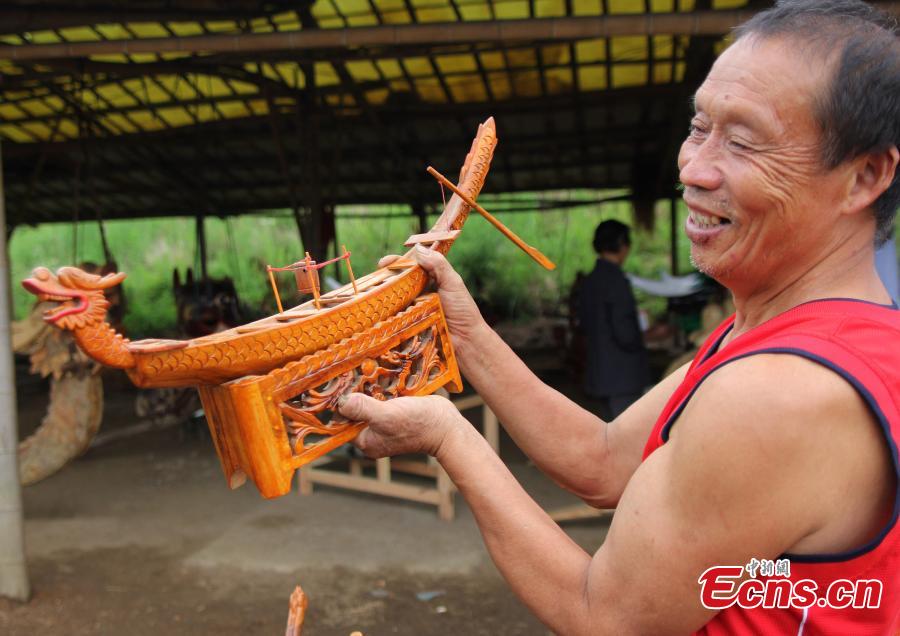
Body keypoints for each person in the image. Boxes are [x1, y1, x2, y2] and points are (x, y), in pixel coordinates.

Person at [337, 1, 900, 632]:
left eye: (741, 142)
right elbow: (601, 460)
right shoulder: (793, 334)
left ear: (865, 176)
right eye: (699, 128)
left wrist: (449, 435)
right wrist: (465, 333)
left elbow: (605, 616)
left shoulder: (777, 393)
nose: (693, 167)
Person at [577, 220, 650, 418]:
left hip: (599, 374)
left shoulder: (589, 281)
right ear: (621, 245)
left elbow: (584, 323)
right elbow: (625, 333)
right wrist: (645, 335)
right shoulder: (617, 282)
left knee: (611, 432)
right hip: (622, 377)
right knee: (628, 437)